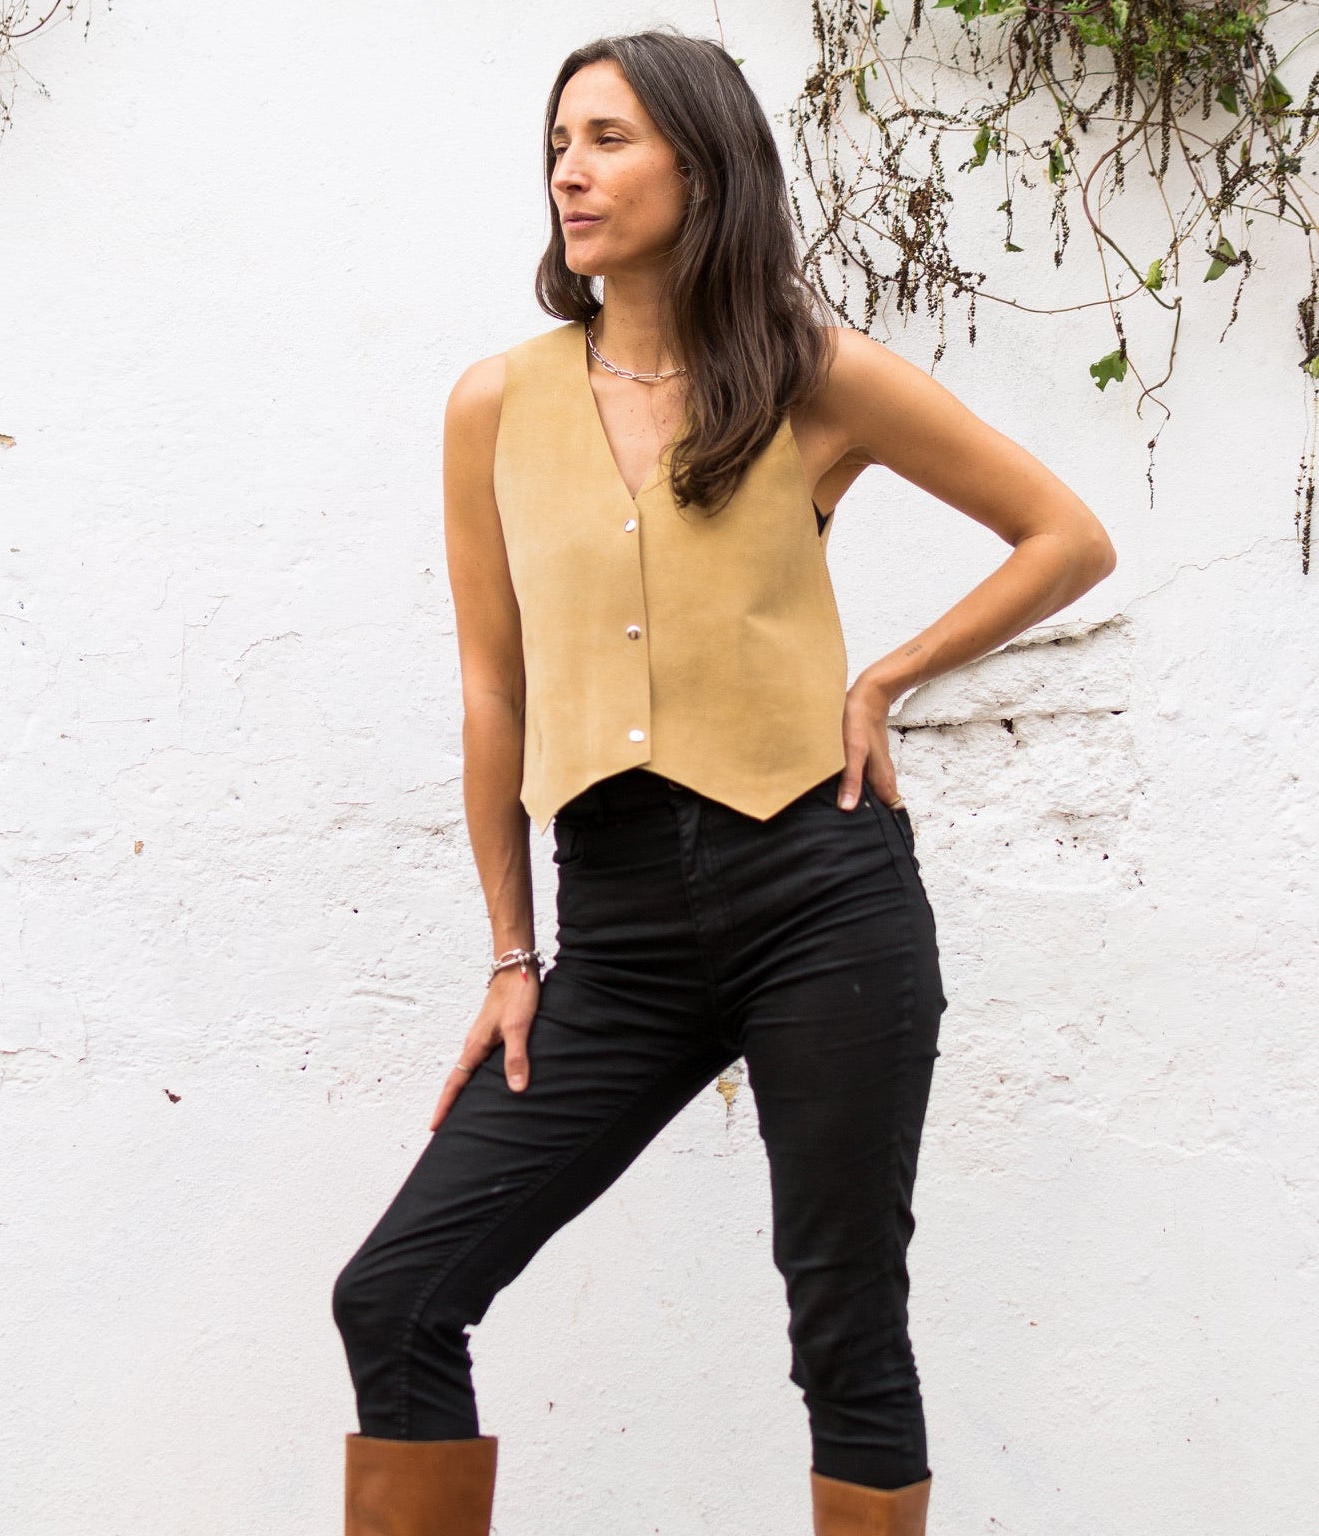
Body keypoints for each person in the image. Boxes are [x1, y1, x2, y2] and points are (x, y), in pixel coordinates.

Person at [332, 26, 1115, 1536]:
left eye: (611, 138)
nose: (572, 168)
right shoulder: (496, 403)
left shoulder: (815, 374)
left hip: (818, 897)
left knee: (845, 1329)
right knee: (399, 1295)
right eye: (561, 141)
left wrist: (884, 678)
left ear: (705, 162)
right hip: (615, 929)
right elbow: (492, 687)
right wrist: (511, 954)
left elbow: (1065, 537)